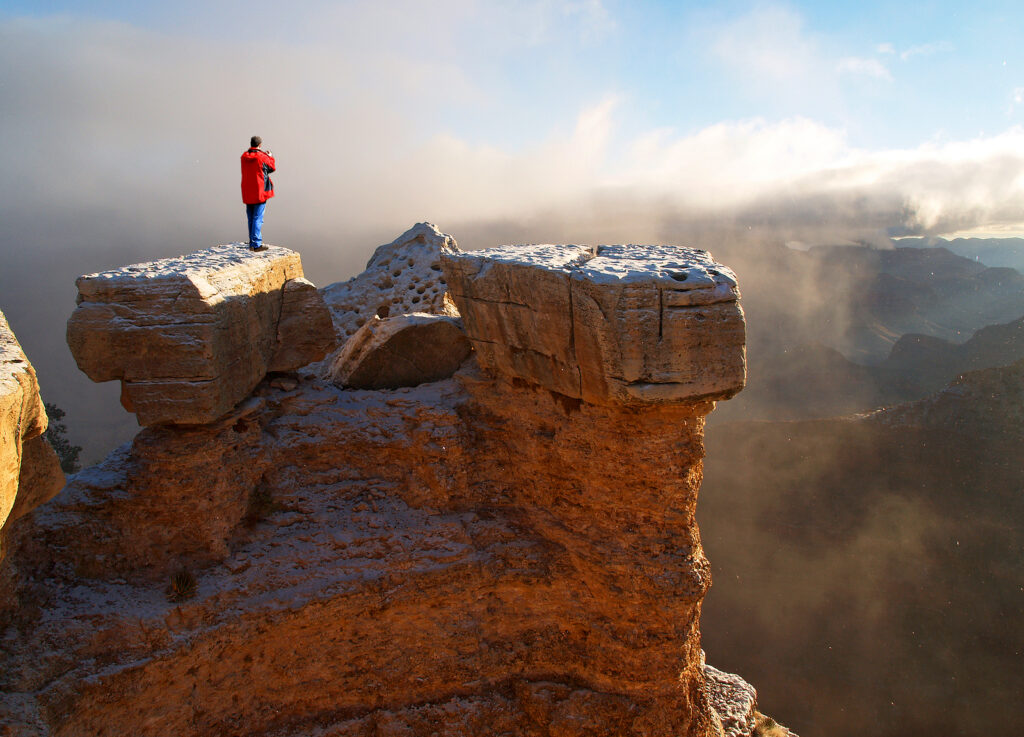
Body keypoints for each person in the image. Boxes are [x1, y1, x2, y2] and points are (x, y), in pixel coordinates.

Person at [240, 136, 276, 251]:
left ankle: (252, 242)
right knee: (258, 218)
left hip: (247, 191)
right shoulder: (262, 157)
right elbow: (271, 168)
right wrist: (270, 157)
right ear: (260, 145)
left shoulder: (244, 157)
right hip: (259, 191)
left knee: (251, 217)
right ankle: (256, 244)